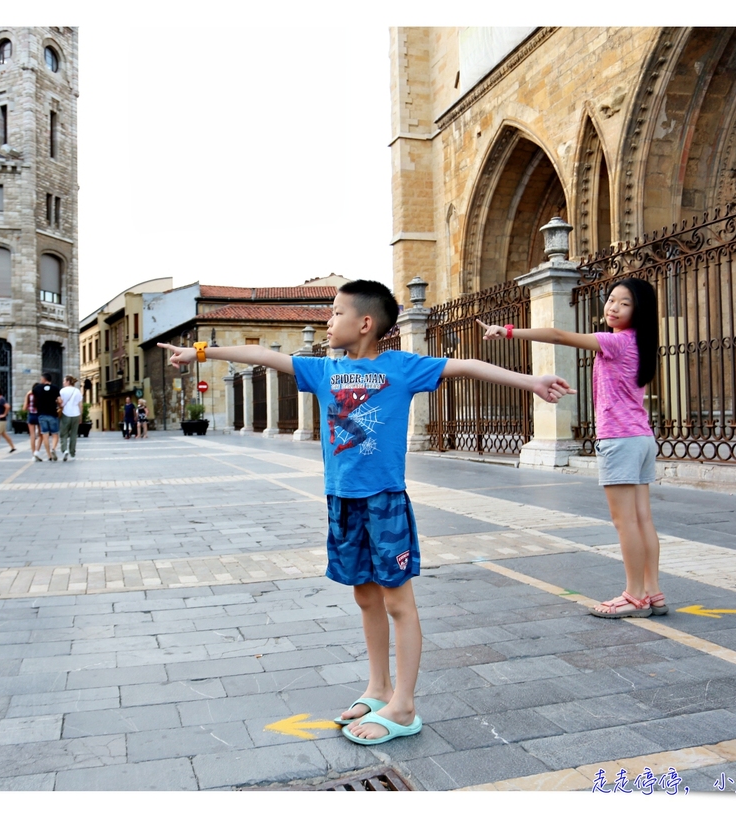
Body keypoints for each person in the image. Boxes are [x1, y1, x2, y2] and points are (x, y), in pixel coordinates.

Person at [159, 279, 574, 746]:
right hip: (342, 500)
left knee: (398, 601)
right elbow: (263, 358)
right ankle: (379, 688)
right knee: (364, 596)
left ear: (365, 323)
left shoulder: (402, 367)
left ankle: (405, 704)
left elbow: (470, 366)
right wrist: (199, 353)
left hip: (384, 502)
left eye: (336, 313)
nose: (328, 321)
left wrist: (532, 381)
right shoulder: (324, 371)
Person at [481, 277, 663, 620]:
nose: (613, 307)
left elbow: (558, 336)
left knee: (625, 523)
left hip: (620, 440)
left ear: (639, 311)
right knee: (642, 520)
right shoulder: (640, 342)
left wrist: (507, 332)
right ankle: (652, 592)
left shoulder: (618, 342)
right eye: (611, 300)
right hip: (640, 438)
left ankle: (634, 595)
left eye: (624, 303)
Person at [31, 373, 61, 461]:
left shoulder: (37, 388)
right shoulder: (55, 388)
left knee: (45, 435)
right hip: (53, 414)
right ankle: (54, 449)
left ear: (44, 379)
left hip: (42, 414)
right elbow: (60, 401)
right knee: (55, 434)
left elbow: (33, 397)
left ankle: (49, 456)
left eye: (41, 379)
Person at [57, 375, 82, 461]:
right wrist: (80, 416)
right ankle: (72, 453)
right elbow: (80, 405)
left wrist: (60, 406)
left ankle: (65, 450)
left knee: (63, 434)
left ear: (68, 381)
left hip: (66, 414)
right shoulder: (77, 391)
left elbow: (60, 402)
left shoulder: (62, 391)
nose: (63, 383)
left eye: (64, 381)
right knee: (73, 435)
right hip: (76, 414)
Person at [0, 387, 17, 454]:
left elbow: (7, 406)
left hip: (0, 420)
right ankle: (12, 447)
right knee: (4, 434)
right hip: (0, 420)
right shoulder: (0, 400)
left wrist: (4, 414)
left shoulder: (1, 399)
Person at [22, 388, 40, 458]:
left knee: (32, 435)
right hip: (39, 415)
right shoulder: (40, 396)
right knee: (40, 435)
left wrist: (26, 396)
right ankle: (37, 451)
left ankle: (33, 453)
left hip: (31, 416)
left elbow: (24, 408)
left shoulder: (29, 396)